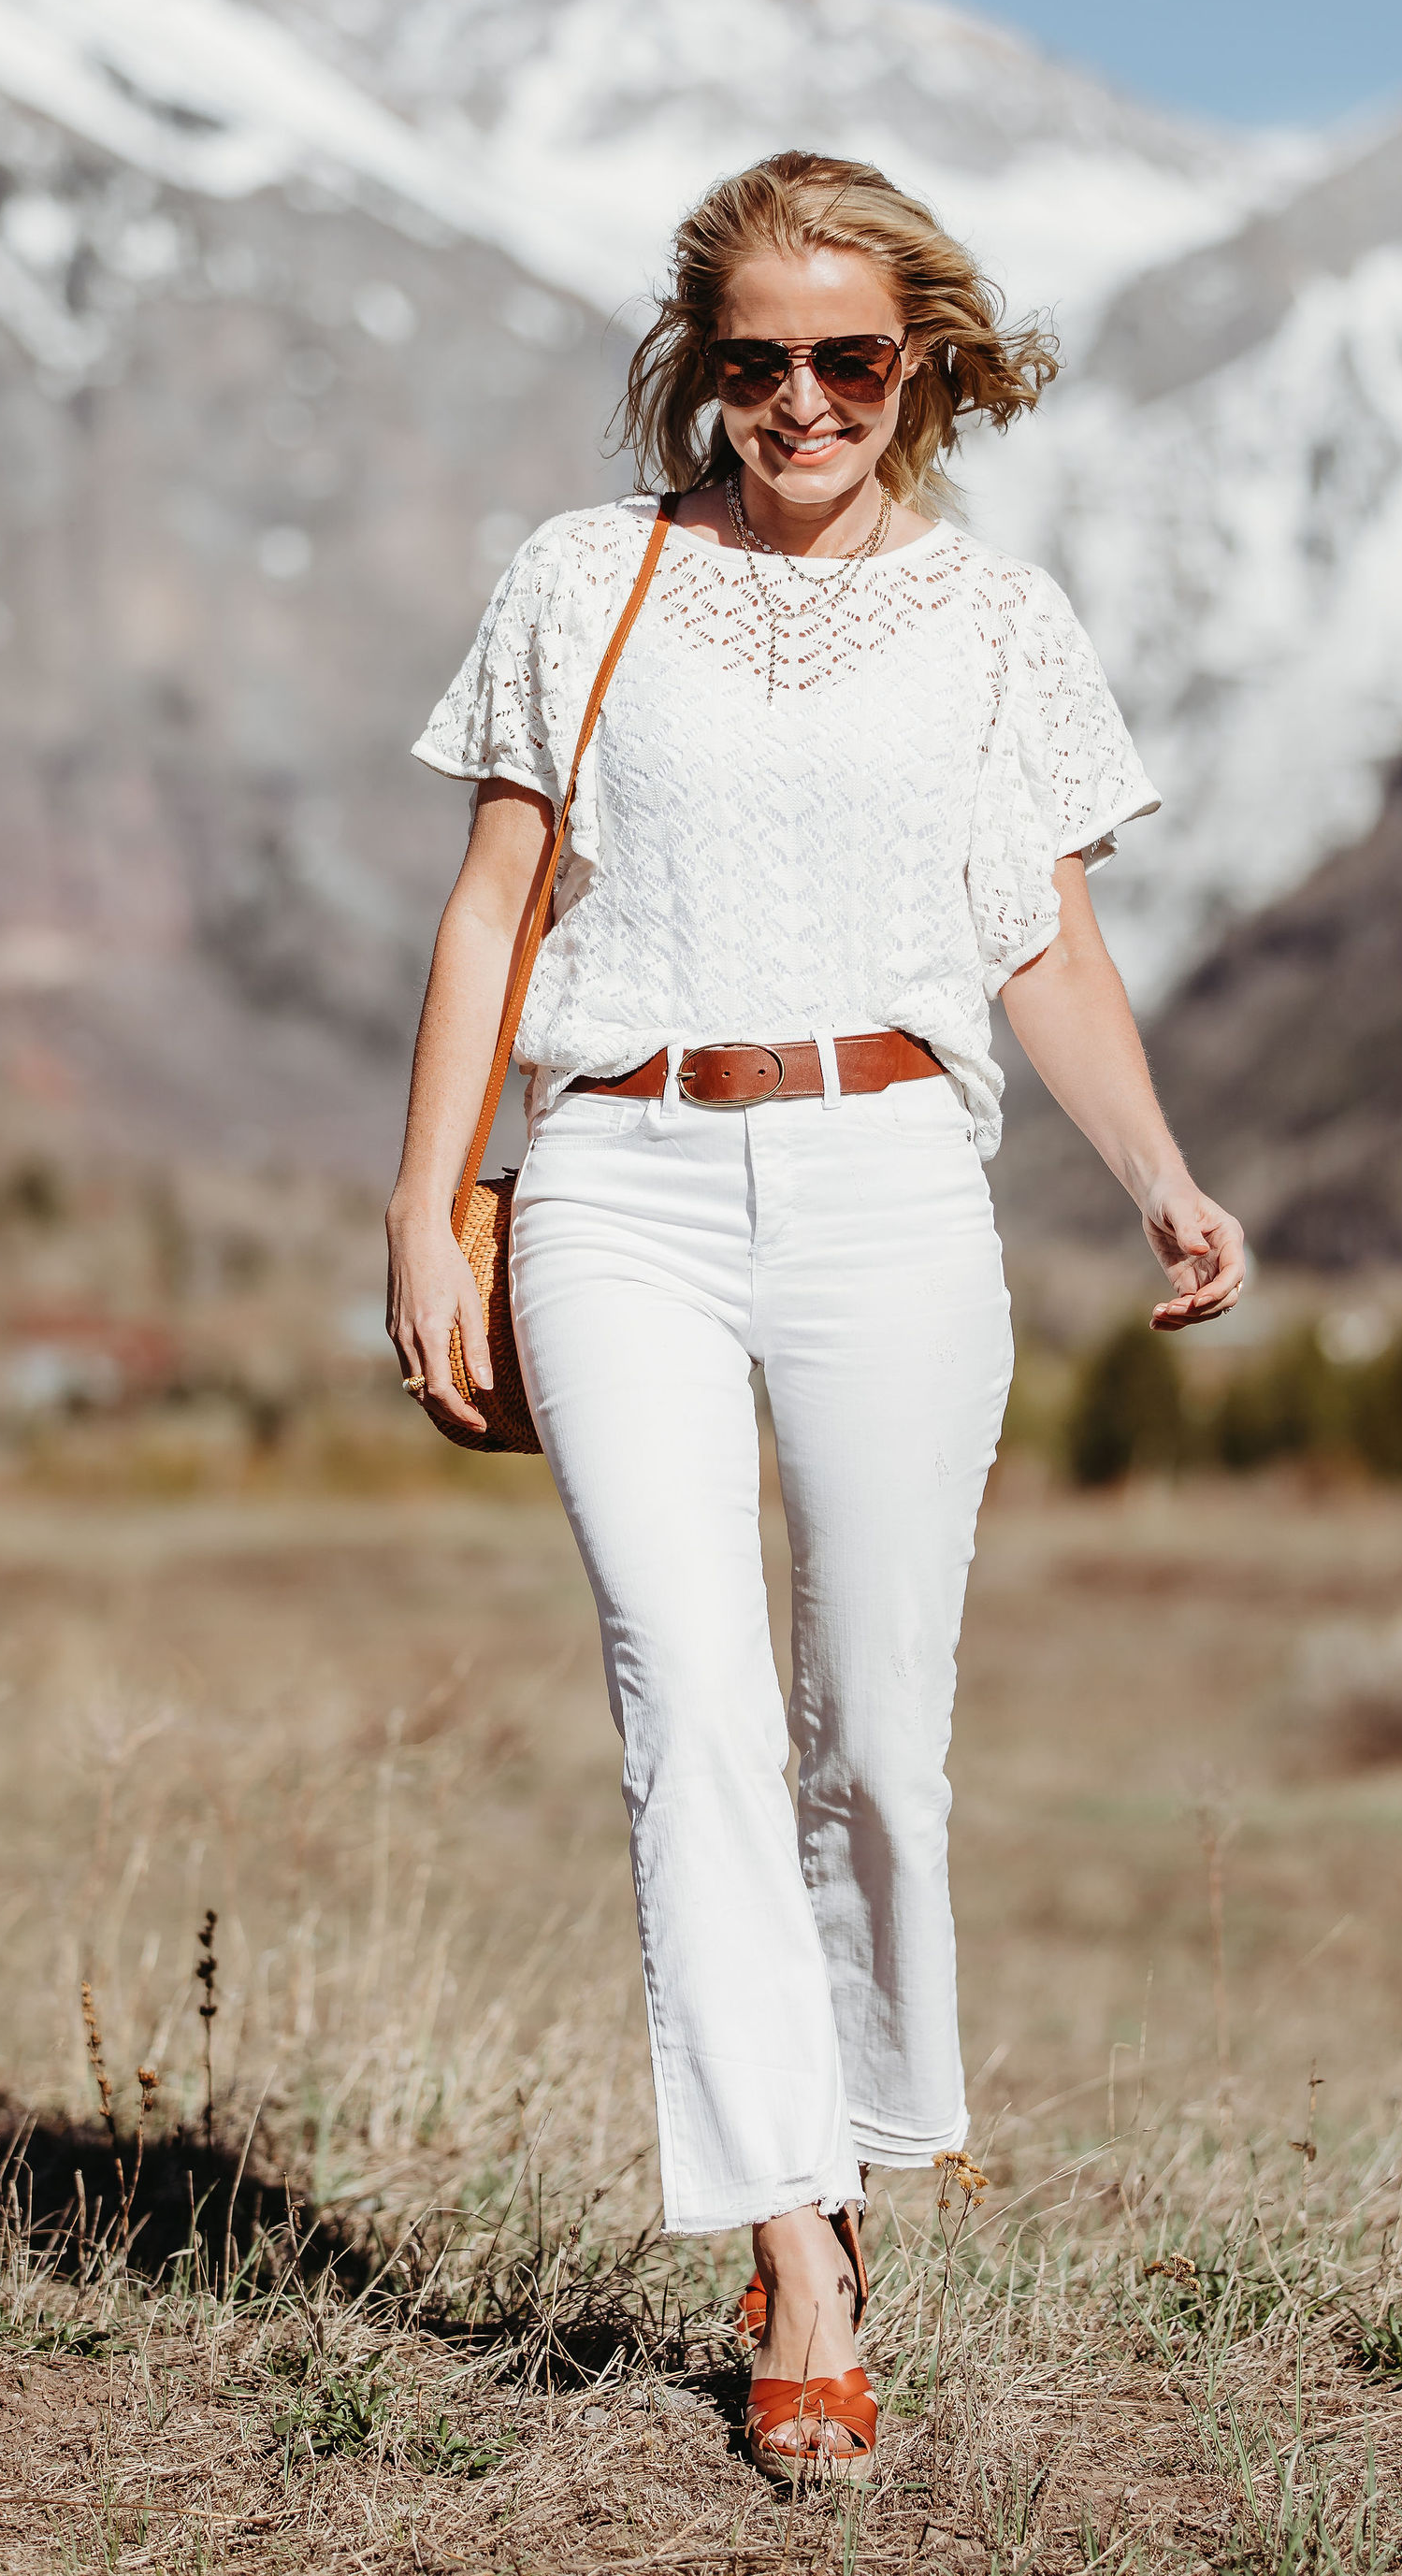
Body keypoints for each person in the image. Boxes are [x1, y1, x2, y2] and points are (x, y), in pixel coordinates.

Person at [387, 151, 1244, 2482]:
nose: (799, 399)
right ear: (701, 360)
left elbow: (1037, 940)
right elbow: (495, 914)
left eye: (845, 356)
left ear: (923, 362)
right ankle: (792, 2252)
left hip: (890, 1184)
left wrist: (1158, 1173)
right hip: (618, 1181)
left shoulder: (994, 620)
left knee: (873, 1733)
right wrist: (424, 1208)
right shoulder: (589, 579)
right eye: (753, 358)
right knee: (691, 1710)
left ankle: (856, 2141)